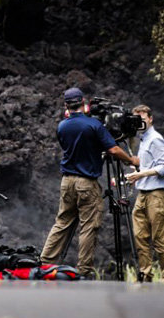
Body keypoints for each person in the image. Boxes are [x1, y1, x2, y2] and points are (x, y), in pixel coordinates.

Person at [40, 87, 138, 279]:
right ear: (83, 103)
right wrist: (131, 160)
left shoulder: (62, 126)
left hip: (67, 182)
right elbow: (113, 150)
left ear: (66, 105)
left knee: (62, 222)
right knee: (88, 226)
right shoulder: (93, 125)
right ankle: (84, 269)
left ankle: (45, 263)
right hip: (86, 182)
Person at [125, 104, 164, 283]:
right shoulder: (144, 139)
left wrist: (141, 174)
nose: (140, 121)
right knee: (140, 236)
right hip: (143, 193)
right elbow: (150, 164)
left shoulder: (155, 139)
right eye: (136, 118)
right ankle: (145, 275)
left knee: (159, 237)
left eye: (143, 117)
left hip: (156, 194)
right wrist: (137, 170)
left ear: (150, 118)